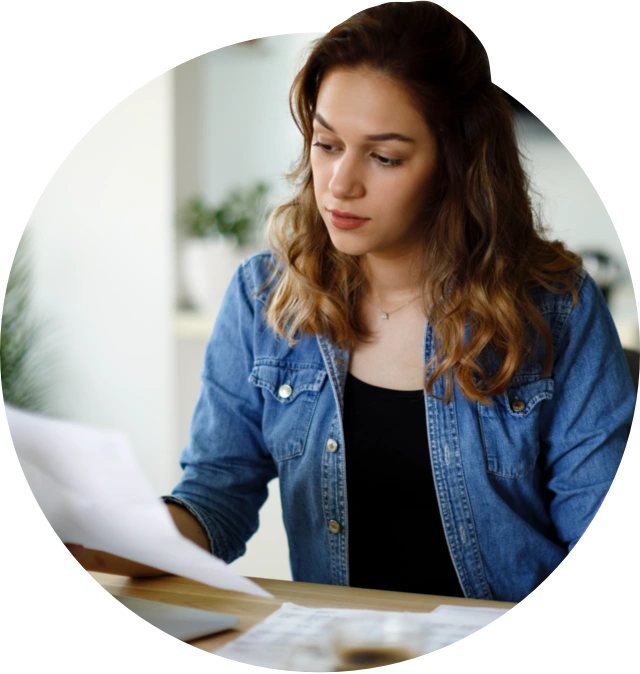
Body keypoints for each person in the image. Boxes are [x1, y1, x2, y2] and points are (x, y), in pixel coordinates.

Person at [64, 1, 636, 603]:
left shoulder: (557, 309)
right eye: (326, 143)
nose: (340, 183)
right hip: (336, 651)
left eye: (384, 157)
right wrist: (112, 538)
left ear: (456, 164)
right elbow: (216, 495)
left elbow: (603, 545)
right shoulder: (265, 301)